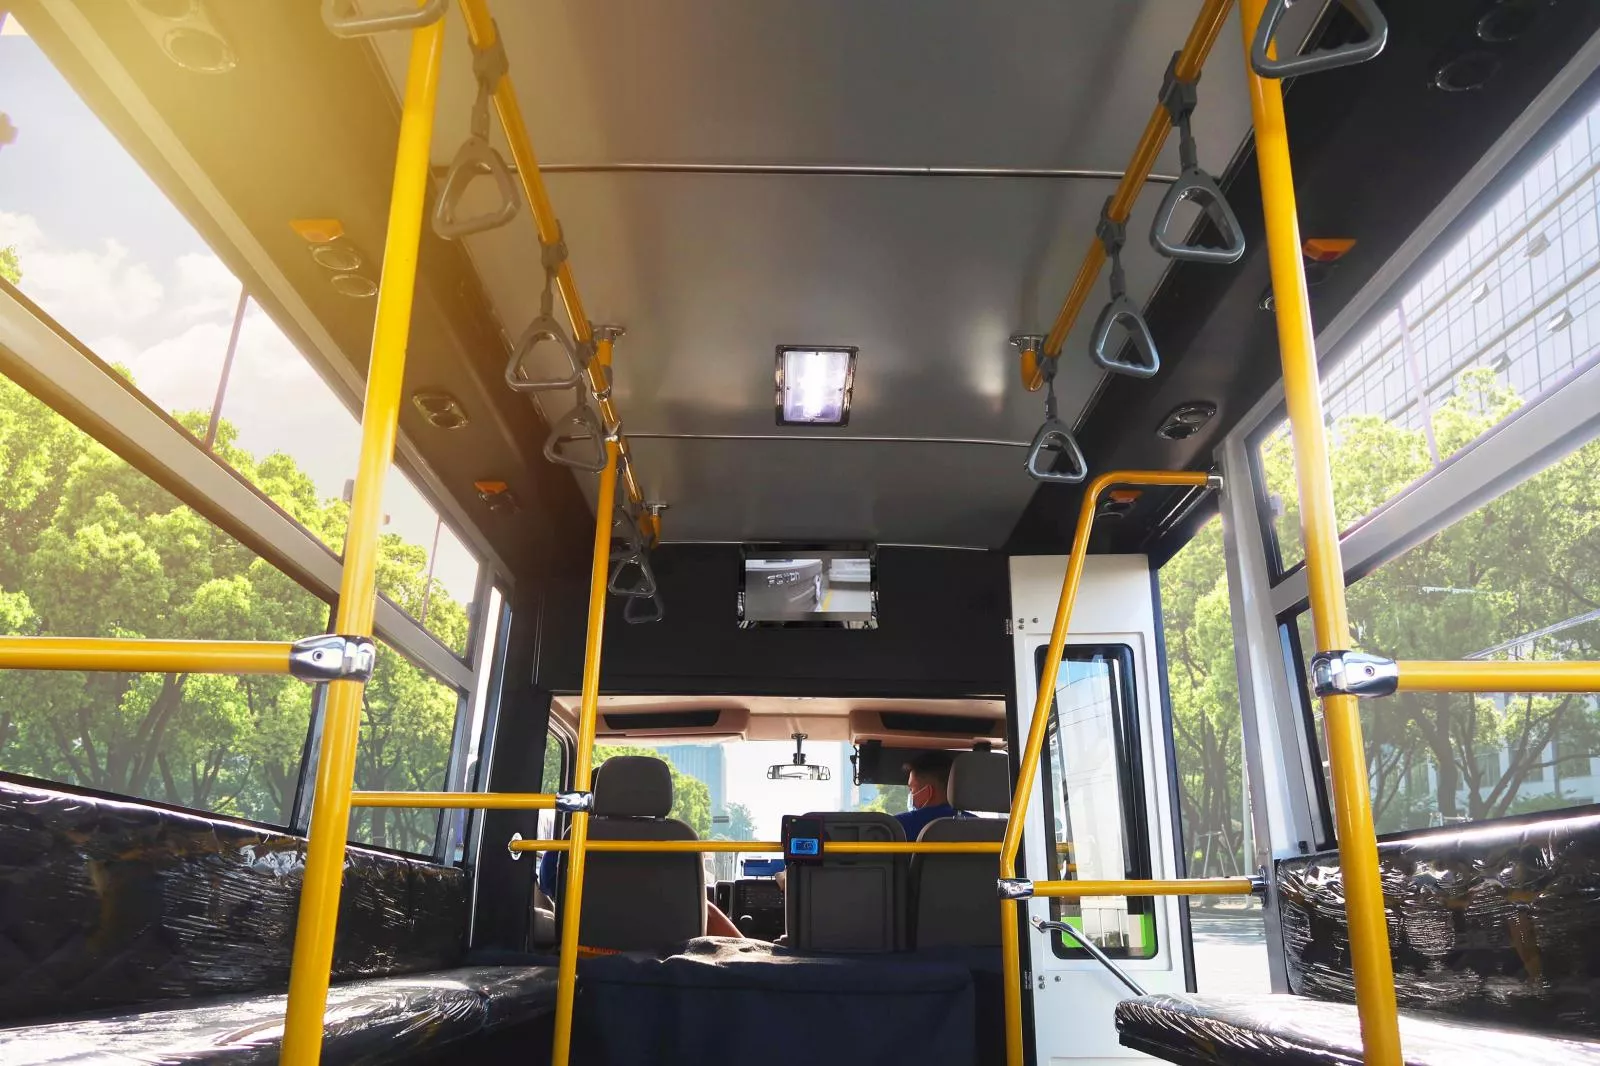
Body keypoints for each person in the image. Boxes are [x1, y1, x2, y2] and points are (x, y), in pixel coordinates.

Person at [537, 849, 746, 938]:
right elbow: (696, 912)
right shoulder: (673, 846)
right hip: (663, 966)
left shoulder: (562, 847)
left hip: (581, 962)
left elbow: (553, 895)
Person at [894, 749, 966, 839]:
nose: (910, 795)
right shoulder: (980, 826)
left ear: (928, 792)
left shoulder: (897, 826)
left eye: (911, 789)